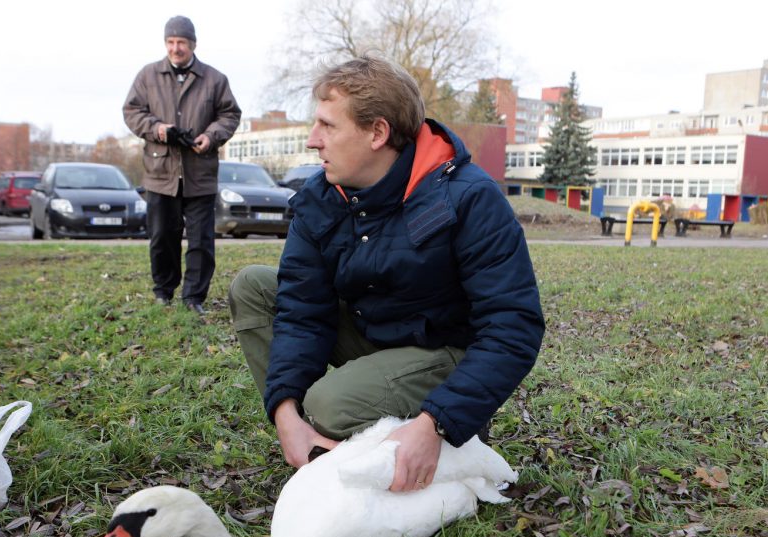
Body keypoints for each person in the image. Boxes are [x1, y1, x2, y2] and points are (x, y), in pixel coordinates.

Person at [229, 56, 545, 492]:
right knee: (254, 287)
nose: (313, 141)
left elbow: (513, 327)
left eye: (327, 126)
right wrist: (285, 413)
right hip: (373, 338)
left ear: (377, 132)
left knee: (329, 403)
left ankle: (438, 437)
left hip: (445, 353)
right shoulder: (321, 198)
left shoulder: (469, 197)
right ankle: (312, 440)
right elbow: (303, 311)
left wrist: (437, 422)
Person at [123, 15, 241, 314]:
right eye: (171, 42)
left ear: (193, 44)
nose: (176, 48)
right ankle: (163, 291)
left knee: (201, 240)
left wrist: (210, 136)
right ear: (166, 43)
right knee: (162, 236)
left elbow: (230, 115)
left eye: (182, 43)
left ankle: (193, 298)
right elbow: (132, 111)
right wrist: (157, 129)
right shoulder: (147, 76)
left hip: (199, 172)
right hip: (159, 173)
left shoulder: (215, 79)